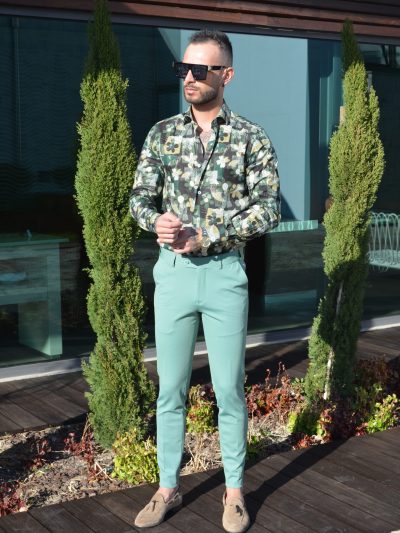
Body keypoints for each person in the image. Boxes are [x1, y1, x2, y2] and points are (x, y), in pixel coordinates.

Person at [129, 29, 280, 533]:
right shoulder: (161, 134)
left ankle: (234, 493)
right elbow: (139, 198)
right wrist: (156, 221)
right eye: (183, 69)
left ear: (226, 75)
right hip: (172, 276)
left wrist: (207, 236)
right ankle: (167, 487)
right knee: (170, 389)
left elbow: (267, 210)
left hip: (224, 275)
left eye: (199, 70)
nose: (188, 78)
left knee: (229, 389)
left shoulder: (251, 138)